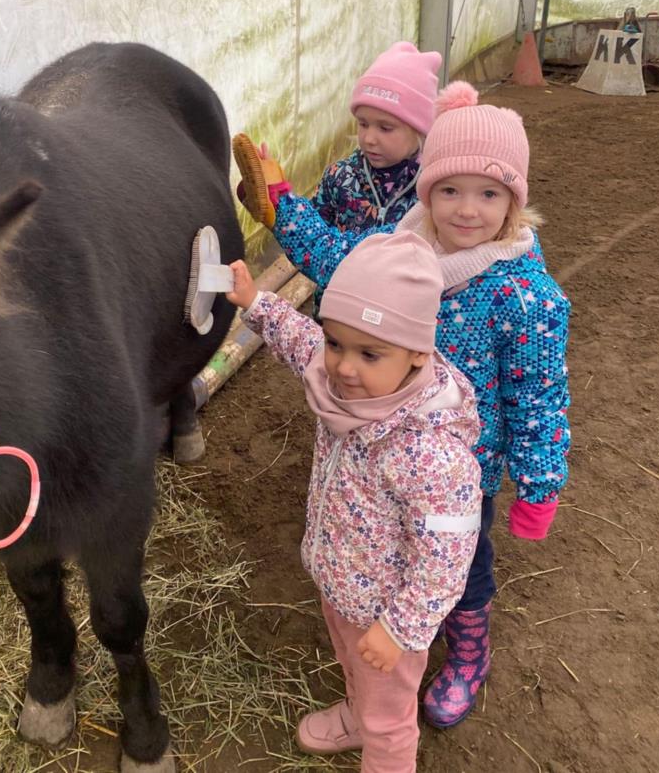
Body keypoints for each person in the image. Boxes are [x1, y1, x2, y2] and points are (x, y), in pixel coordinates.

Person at [225, 231, 483, 773]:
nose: (343, 367)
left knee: (391, 720)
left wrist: (400, 630)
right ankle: (357, 713)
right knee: (351, 661)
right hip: (341, 581)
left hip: (387, 614)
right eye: (337, 342)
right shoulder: (344, 386)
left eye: (369, 353)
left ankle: (380, 743)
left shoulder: (432, 455)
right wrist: (256, 302)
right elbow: (302, 342)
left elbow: (445, 563)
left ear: (417, 353)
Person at [394, 80, 571, 728]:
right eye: (450, 190)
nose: (467, 209)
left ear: (514, 200)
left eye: (489, 193)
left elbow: (538, 397)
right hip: (398, 440)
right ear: (426, 193)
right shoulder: (408, 250)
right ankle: (407, 619)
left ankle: (470, 650)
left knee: (462, 556)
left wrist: (539, 484)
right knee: (403, 539)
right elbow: (353, 283)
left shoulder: (524, 295)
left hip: (468, 464)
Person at [234, 41, 441, 313]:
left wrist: (282, 205)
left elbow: (345, 259)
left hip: (397, 319)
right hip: (336, 315)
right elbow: (313, 236)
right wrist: (279, 216)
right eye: (363, 123)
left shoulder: (430, 193)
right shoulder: (340, 176)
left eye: (385, 127)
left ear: (419, 130)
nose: (369, 138)